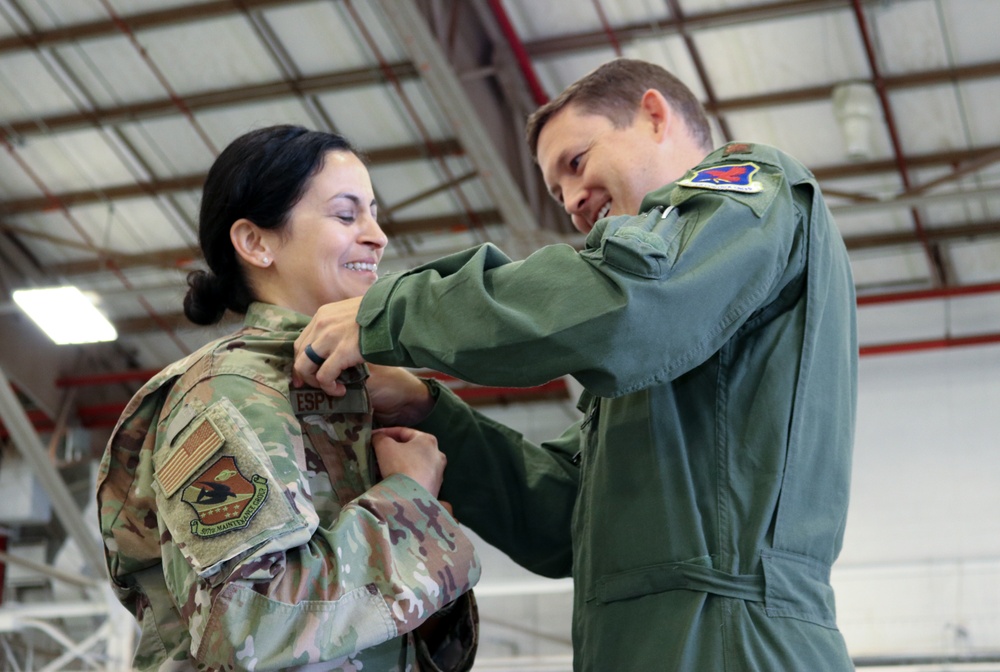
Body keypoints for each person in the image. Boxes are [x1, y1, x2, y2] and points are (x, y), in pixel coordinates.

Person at [293, 58, 857, 671]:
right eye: (557, 192)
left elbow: (629, 306)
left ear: (653, 114)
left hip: (732, 644)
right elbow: (566, 519)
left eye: (577, 162)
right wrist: (429, 411)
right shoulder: (664, 349)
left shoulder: (755, 189)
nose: (572, 202)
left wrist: (393, 312)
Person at [95, 125, 480, 672]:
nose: (377, 236)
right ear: (256, 242)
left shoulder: (354, 389)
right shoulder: (227, 392)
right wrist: (407, 504)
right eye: (347, 215)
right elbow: (250, 621)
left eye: (373, 213)